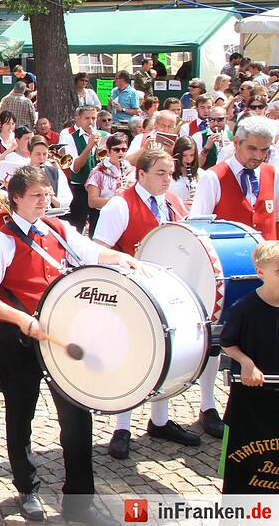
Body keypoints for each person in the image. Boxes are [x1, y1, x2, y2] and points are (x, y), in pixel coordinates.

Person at [0, 166, 140, 525]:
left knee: (77, 417)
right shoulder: (2, 242)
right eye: (35, 195)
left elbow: (91, 251)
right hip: (21, 341)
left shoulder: (59, 229)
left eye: (46, 194)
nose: (43, 201)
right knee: (21, 415)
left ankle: (79, 499)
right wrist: (24, 320)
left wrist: (123, 258)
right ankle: (27, 486)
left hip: (63, 336)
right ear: (16, 198)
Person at [91, 149, 201, 458]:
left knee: (167, 354)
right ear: (141, 174)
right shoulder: (119, 205)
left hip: (169, 292)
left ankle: (160, 420)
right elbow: (99, 251)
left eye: (170, 173)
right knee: (132, 357)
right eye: (161, 173)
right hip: (133, 295)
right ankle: (122, 426)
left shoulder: (174, 203)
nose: (168, 180)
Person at [189, 115, 279, 439]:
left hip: (267, 274)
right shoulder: (214, 177)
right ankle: (207, 404)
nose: (258, 155)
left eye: (264, 150)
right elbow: (197, 226)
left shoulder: (271, 173)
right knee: (220, 339)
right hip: (227, 272)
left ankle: (257, 399)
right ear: (236, 143)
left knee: (262, 334)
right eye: (252, 148)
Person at [219, 240, 279, 494]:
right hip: (251, 399)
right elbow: (227, 344)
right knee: (246, 463)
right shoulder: (244, 309)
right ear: (260, 272)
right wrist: (246, 363)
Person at [60, 106, 104, 233]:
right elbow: (76, 167)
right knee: (77, 227)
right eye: (87, 118)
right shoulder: (70, 137)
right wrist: (89, 146)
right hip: (79, 188)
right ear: (78, 119)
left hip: (97, 188)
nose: (91, 122)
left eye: (93, 118)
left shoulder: (101, 135)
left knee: (97, 228)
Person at [85, 132, 133, 211]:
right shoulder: (98, 172)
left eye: (124, 149)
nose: (121, 153)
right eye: (116, 150)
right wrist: (116, 199)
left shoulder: (130, 169)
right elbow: (92, 202)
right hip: (105, 213)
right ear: (108, 151)